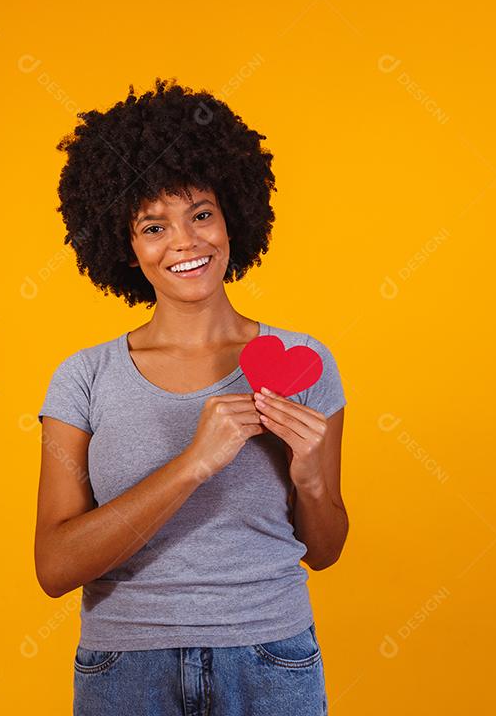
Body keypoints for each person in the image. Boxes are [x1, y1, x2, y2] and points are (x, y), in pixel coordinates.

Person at [34, 77, 348, 716]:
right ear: (125, 246)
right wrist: (193, 464)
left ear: (233, 215)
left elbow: (325, 550)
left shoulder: (304, 364)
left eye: (201, 213)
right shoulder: (84, 377)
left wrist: (313, 481)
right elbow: (54, 566)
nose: (185, 242)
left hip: (272, 658)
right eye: (154, 226)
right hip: (125, 670)